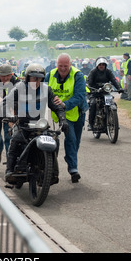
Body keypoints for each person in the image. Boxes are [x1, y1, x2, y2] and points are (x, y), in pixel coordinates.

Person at [3, 63, 69, 184]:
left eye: (39, 79)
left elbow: (57, 106)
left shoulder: (46, 89)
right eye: (34, 78)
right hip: (22, 124)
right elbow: (6, 103)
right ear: (28, 78)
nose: (37, 81)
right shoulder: (18, 88)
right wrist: (10, 116)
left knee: (55, 140)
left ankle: (50, 171)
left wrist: (63, 120)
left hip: (41, 125)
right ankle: (10, 170)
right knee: (15, 140)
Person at [45, 53, 88, 183]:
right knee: (71, 138)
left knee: (75, 142)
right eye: (60, 66)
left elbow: (80, 95)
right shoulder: (50, 75)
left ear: (70, 64)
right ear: (56, 64)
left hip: (77, 112)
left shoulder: (78, 75)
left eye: (65, 66)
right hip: (61, 113)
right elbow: (40, 90)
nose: (62, 69)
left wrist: (65, 104)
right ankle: (73, 169)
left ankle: (70, 158)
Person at [0, 64, 21, 165]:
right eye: (3, 76)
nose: (5, 78)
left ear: (11, 74)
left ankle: (10, 163)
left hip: (10, 112)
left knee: (9, 137)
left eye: (7, 76)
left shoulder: (17, 82)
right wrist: (3, 103)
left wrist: (12, 115)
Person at [86, 57, 123, 131]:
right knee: (92, 104)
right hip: (95, 92)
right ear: (97, 65)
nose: (101, 66)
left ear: (105, 65)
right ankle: (90, 123)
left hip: (105, 93)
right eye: (100, 64)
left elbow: (114, 80)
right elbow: (89, 82)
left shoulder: (108, 71)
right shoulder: (93, 72)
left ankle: (114, 122)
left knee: (113, 104)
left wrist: (119, 88)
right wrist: (90, 89)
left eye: (103, 64)